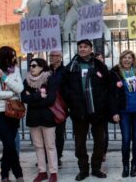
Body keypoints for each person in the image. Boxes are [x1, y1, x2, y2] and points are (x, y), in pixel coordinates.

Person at [61, 39, 112, 181]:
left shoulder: (100, 66)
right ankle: (83, 169)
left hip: (97, 111)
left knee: (100, 141)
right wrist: (72, 101)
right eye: (80, 47)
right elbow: (64, 88)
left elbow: (108, 87)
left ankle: (96, 168)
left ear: (91, 49)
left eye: (85, 47)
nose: (82, 49)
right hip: (79, 111)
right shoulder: (71, 67)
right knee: (80, 143)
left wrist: (103, 104)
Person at [110, 50, 136, 177]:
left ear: (133, 59)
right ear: (120, 59)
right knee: (126, 139)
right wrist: (114, 112)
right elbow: (112, 95)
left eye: (129, 58)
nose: (126, 60)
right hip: (124, 111)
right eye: (124, 58)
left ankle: (134, 165)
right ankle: (125, 166)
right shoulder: (115, 73)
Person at [21, 58, 58, 182]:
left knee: (50, 146)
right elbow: (24, 98)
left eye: (34, 65)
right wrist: (38, 96)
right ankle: (42, 172)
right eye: (30, 65)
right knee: (38, 146)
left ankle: (53, 173)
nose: (31, 67)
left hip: (47, 118)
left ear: (42, 67)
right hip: (33, 118)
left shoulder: (50, 79)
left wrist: (32, 99)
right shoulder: (26, 81)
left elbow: (51, 99)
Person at [0, 46, 24, 182]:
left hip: (13, 112)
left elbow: (19, 88)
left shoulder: (15, 70)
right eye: (11, 55)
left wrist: (4, 77)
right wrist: (10, 94)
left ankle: (5, 174)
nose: (13, 58)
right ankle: (18, 173)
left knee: (10, 145)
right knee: (9, 144)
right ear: (3, 56)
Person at [49, 51, 67, 168]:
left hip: (61, 105)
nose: (51, 58)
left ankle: (58, 156)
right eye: (50, 56)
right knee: (47, 133)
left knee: (59, 133)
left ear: (60, 57)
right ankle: (48, 157)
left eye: (53, 56)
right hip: (47, 105)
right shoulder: (45, 70)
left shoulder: (65, 71)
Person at [94, 52, 109, 162]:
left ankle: (103, 152)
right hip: (92, 105)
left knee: (104, 131)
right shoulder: (92, 69)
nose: (99, 59)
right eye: (97, 58)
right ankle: (98, 152)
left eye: (101, 57)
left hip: (103, 105)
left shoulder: (105, 70)